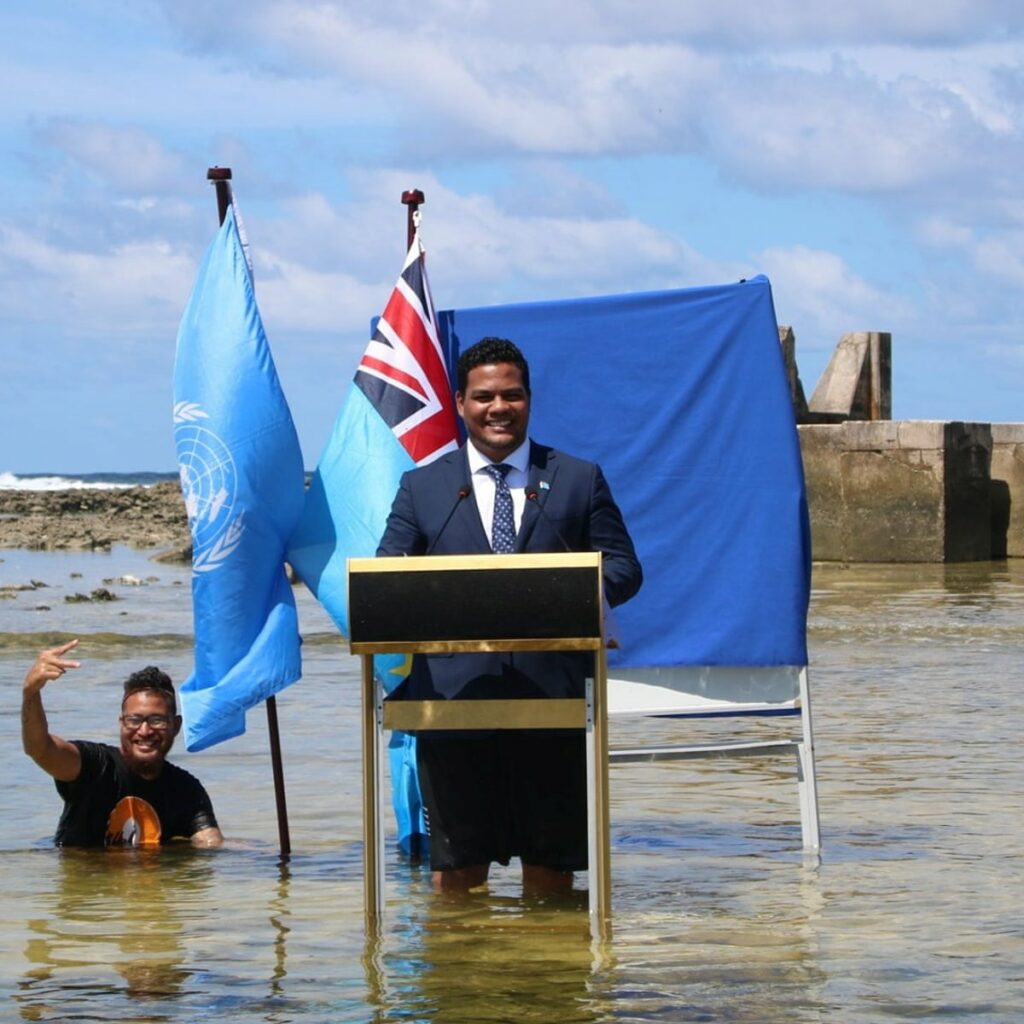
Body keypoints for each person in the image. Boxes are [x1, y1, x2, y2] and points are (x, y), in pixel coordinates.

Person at [377, 336, 642, 892]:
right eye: (484, 397)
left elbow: (623, 568)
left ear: (528, 399)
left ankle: (544, 977)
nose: (499, 407)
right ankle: (464, 979)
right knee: (457, 877)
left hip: (554, 701)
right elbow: (387, 575)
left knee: (550, 875)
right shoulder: (423, 487)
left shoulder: (576, 478)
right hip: (452, 705)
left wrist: (563, 598)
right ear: (460, 402)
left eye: (512, 395)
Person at [21, 638, 223, 848]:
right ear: (121, 723)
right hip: (86, 876)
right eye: (134, 720)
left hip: (150, 878)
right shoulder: (95, 766)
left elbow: (211, 844)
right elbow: (40, 749)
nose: (145, 731)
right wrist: (31, 693)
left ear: (176, 725)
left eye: (157, 720)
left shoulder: (186, 790)